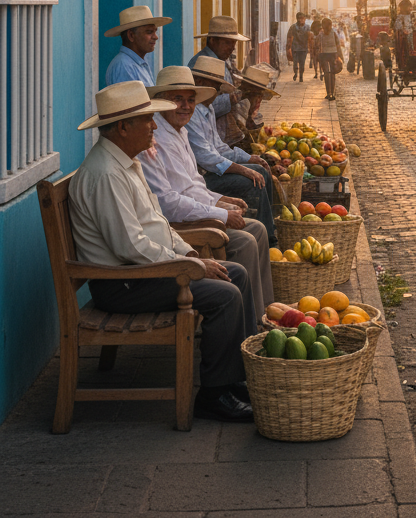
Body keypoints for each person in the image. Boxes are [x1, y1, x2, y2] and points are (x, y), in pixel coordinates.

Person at [68, 81, 256, 423]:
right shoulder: (106, 174)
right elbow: (132, 247)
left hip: (143, 272)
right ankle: (213, 395)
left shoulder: (127, 161)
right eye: (147, 120)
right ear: (123, 127)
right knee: (225, 295)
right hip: (125, 283)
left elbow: (158, 223)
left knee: (236, 274)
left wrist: (193, 256)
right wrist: (190, 265)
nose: (155, 125)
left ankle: (233, 377)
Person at [140, 67, 273, 316]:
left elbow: (193, 184)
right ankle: (251, 317)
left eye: (191, 100)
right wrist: (220, 213)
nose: (186, 106)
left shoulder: (179, 131)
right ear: (161, 101)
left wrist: (222, 200)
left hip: (193, 212)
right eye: (177, 99)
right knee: (246, 238)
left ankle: (263, 311)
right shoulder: (155, 139)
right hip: (179, 226)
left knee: (257, 228)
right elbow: (169, 203)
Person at [187, 56, 277, 244]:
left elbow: (219, 147)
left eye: (219, 89)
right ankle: (267, 239)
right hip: (202, 178)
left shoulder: (208, 109)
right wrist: (242, 168)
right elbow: (207, 157)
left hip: (210, 172)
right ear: (200, 83)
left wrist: (249, 158)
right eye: (215, 87)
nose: (217, 93)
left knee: (260, 169)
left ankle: (271, 228)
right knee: (253, 180)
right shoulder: (192, 113)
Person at [188, 16, 250, 145]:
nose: (232, 47)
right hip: (204, 139)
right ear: (212, 40)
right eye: (227, 42)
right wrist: (234, 98)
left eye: (234, 43)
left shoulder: (223, 60)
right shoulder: (200, 65)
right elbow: (199, 105)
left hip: (221, 138)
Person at [103, 6, 171, 87]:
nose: (156, 37)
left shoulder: (136, 63)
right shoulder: (125, 66)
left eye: (155, 32)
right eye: (149, 32)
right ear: (131, 35)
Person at [318, 17, 344, 101]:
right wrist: (339, 56)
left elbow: (317, 46)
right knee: (331, 74)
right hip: (332, 54)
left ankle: (329, 93)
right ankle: (331, 93)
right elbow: (338, 45)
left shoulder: (321, 34)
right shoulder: (333, 33)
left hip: (325, 54)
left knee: (327, 73)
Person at [286, 12, 309, 81]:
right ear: (297, 19)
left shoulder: (307, 27)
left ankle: (301, 75)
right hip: (295, 48)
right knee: (295, 62)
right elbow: (289, 37)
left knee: (302, 63)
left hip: (304, 48)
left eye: (303, 18)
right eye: (300, 18)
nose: (302, 20)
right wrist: (288, 48)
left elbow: (310, 38)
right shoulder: (293, 27)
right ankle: (296, 73)